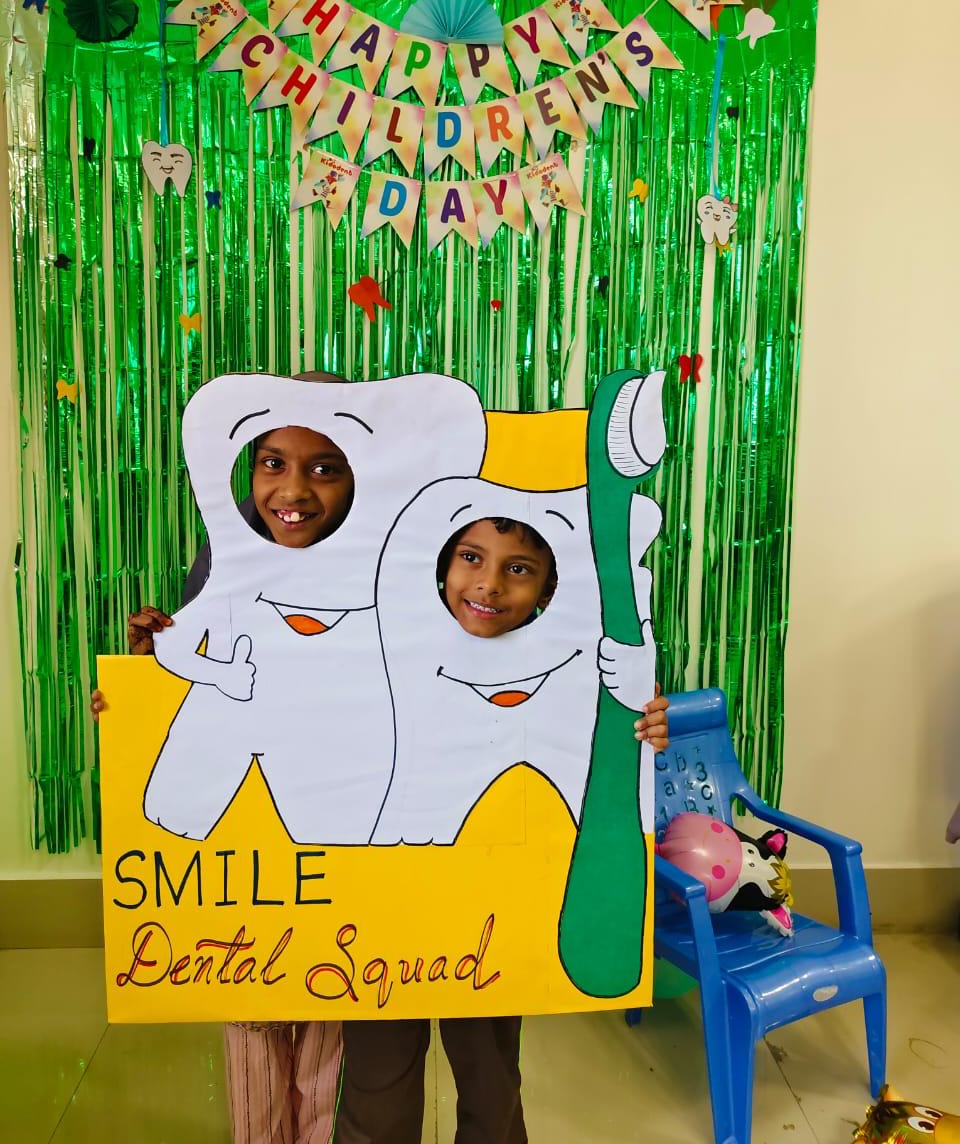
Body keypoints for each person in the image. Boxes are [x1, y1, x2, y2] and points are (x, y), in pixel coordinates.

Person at [334, 515, 670, 1144]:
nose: (488, 584)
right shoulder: (380, 639)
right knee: (377, 1083)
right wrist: (155, 673)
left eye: (518, 568)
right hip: (385, 904)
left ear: (548, 588)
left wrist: (642, 725)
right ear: (442, 564)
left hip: (493, 911)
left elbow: (600, 766)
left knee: (490, 1078)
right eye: (471, 557)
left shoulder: (572, 672)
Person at [92, 371, 350, 1144]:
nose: (293, 489)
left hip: (337, 838)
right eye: (273, 462)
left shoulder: (387, 564)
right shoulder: (226, 555)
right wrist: (136, 696)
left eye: (324, 466)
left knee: (332, 1029)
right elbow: (188, 680)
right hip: (243, 848)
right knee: (251, 1012)